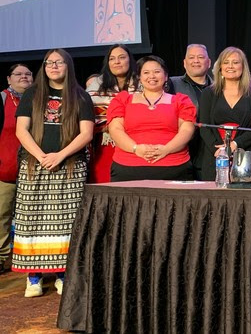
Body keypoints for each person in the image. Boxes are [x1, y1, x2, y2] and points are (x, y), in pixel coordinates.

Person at [13, 49, 94, 297]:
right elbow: (21, 130)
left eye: (59, 62)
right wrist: (41, 156)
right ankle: (34, 277)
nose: (54, 66)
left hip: (69, 166)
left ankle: (62, 274)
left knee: (67, 223)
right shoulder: (32, 94)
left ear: (68, 66)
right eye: (49, 62)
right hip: (34, 166)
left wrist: (60, 155)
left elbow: (86, 134)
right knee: (31, 222)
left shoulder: (80, 96)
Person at [107, 55, 196, 181]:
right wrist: (136, 148)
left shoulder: (181, 101)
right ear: (139, 77)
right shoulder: (123, 100)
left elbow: (187, 130)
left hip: (173, 168)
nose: (152, 76)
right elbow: (115, 129)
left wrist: (167, 149)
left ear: (165, 76)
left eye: (157, 72)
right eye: (146, 72)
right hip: (128, 168)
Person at [198, 47, 251, 181]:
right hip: (215, 156)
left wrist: (235, 144)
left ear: (243, 66)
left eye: (235, 62)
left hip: (245, 156)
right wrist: (219, 151)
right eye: (226, 62)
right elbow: (204, 127)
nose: (230, 66)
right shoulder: (208, 93)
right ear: (220, 67)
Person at [86, 44, 138, 183]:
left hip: (138, 142)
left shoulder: (142, 83)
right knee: (105, 182)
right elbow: (88, 115)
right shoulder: (97, 84)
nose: (117, 62)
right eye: (112, 58)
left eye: (122, 57)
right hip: (106, 144)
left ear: (130, 60)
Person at [0, 63, 33, 273]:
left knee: (30, 218)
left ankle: (31, 262)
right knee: (1, 215)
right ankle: (2, 258)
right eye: (18, 74)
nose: (24, 77)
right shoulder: (2, 99)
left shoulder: (40, 100)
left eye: (28, 74)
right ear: (8, 79)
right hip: (5, 169)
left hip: (33, 171)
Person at [168, 44, 213, 179]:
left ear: (209, 62)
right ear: (184, 63)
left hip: (209, 152)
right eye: (191, 57)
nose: (196, 61)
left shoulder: (218, 87)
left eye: (200, 57)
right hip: (180, 151)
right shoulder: (171, 84)